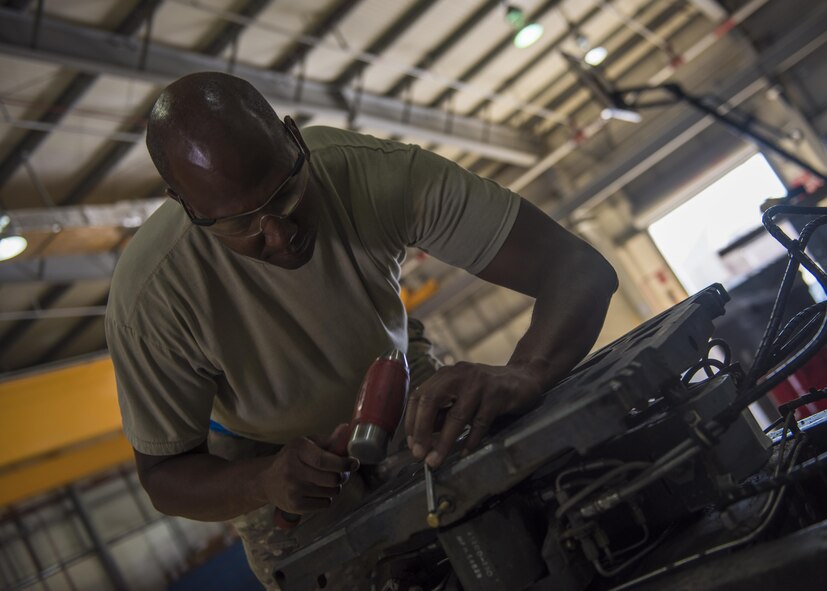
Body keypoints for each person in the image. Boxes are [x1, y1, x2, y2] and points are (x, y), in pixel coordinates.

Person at [105, 71, 618, 588]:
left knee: (515, 516)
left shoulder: (373, 175)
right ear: (183, 204)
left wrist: (529, 371)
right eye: (241, 225)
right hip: (266, 456)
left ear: (293, 136)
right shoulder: (151, 300)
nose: (281, 236)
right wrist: (263, 482)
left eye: (285, 192)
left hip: (397, 374)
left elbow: (577, 270)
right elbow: (164, 475)